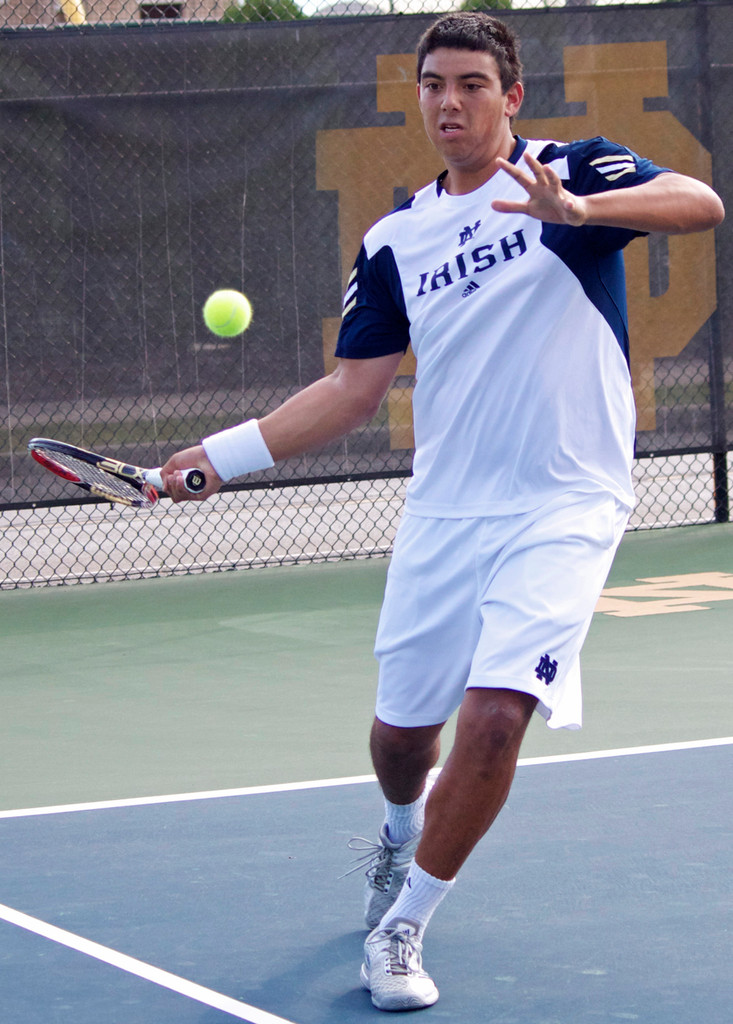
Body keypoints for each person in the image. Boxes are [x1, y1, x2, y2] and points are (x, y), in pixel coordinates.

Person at [161, 12, 724, 1012]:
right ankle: (394, 830)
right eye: (433, 85)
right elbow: (349, 392)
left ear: (510, 97)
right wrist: (216, 457)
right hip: (446, 514)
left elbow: (699, 201)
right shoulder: (395, 241)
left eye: (470, 84)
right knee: (397, 742)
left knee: (500, 713)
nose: (449, 102)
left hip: (566, 500)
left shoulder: (572, 170)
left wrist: (581, 216)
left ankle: (404, 923)